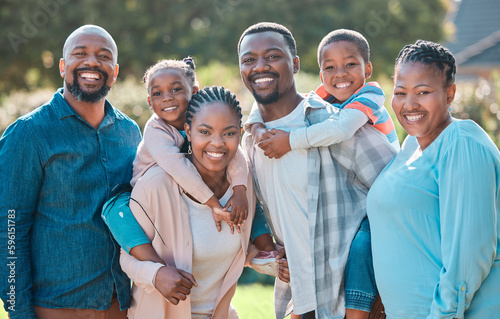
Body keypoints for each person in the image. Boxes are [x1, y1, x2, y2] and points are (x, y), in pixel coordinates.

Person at [238, 22, 397, 319]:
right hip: (297, 298)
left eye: (273, 56)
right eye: (249, 59)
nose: (260, 66)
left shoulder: (334, 124)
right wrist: (270, 260)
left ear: (295, 64)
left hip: (348, 300)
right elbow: (257, 216)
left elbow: (399, 192)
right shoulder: (250, 141)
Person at [0, 25, 141, 319]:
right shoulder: (28, 133)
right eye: (80, 54)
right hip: (53, 308)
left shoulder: (130, 133)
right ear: (63, 67)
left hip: (123, 307)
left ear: (114, 72)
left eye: (103, 56)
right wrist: (20, 311)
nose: (92, 62)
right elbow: (9, 229)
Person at [101, 58, 277, 273]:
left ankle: (267, 251)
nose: (167, 98)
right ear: (149, 102)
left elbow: (235, 153)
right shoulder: (156, 130)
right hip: (151, 198)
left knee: (246, 197)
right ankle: (154, 264)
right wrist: (213, 204)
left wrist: (240, 190)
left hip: (188, 190)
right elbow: (178, 168)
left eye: (175, 90)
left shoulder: (202, 119)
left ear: (194, 91)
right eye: (158, 94)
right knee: (114, 208)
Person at [367, 40, 500, 318]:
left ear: (449, 94)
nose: (409, 103)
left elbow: (469, 257)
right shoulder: (409, 147)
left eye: (423, 92)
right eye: (400, 92)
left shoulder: (462, 143)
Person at [119, 86, 274, 318]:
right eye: (205, 132)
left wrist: (271, 260)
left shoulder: (242, 187)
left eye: (229, 133)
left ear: (239, 134)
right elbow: (126, 257)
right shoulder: (156, 184)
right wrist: (156, 275)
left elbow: (232, 254)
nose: (217, 143)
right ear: (188, 132)